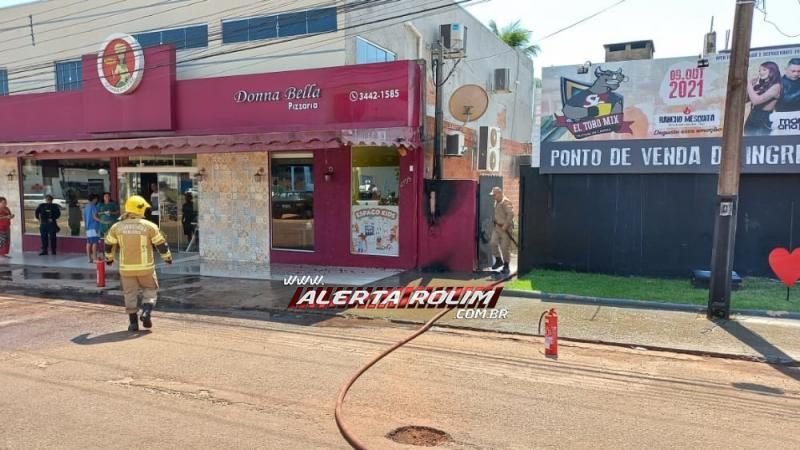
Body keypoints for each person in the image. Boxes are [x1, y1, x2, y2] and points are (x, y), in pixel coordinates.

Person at [104, 195, 173, 332]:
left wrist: (109, 259)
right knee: (150, 290)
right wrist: (167, 258)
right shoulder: (149, 226)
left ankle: (133, 324)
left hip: (126, 269)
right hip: (145, 268)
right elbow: (161, 245)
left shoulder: (116, 227)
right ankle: (146, 313)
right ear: (140, 209)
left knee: (130, 294)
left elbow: (108, 244)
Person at [745, 62, 782, 135]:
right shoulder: (760, 85)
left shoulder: (777, 86)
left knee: (759, 143)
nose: (761, 72)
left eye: (764, 70)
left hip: (763, 120)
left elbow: (756, 101)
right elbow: (744, 100)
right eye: (759, 70)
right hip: (752, 117)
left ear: (772, 71)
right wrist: (751, 86)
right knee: (748, 143)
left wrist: (748, 83)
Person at [489, 186, 514, 274]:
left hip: (505, 229)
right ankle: (498, 260)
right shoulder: (496, 202)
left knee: (504, 248)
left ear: (499, 193)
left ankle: (506, 266)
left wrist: (506, 225)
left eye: (494, 195)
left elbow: (510, 214)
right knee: (492, 243)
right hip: (497, 227)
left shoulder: (505, 202)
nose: (493, 196)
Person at [83, 194, 100, 263]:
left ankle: (89, 258)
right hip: (94, 227)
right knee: (95, 243)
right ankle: (95, 258)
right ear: (94, 199)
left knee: (89, 243)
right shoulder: (93, 206)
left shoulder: (86, 207)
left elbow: (84, 218)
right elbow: (94, 217)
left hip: (88, 227)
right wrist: (102, 221)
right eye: (96, 199)